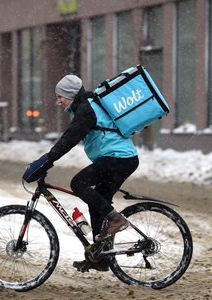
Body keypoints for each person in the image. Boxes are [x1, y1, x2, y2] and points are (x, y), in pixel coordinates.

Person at [24, 75, 139, 271]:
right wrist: (49, 159)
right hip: (120, 159)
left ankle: (117, 219)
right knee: (97, 205)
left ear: (70, 94)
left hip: (119, 159)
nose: (58, 100)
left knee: (78, 184)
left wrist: (47, 160)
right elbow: (70, 137)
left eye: (60, 96)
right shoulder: (86, 107)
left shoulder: (87, 109)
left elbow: (70, 138)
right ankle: (100, 258)